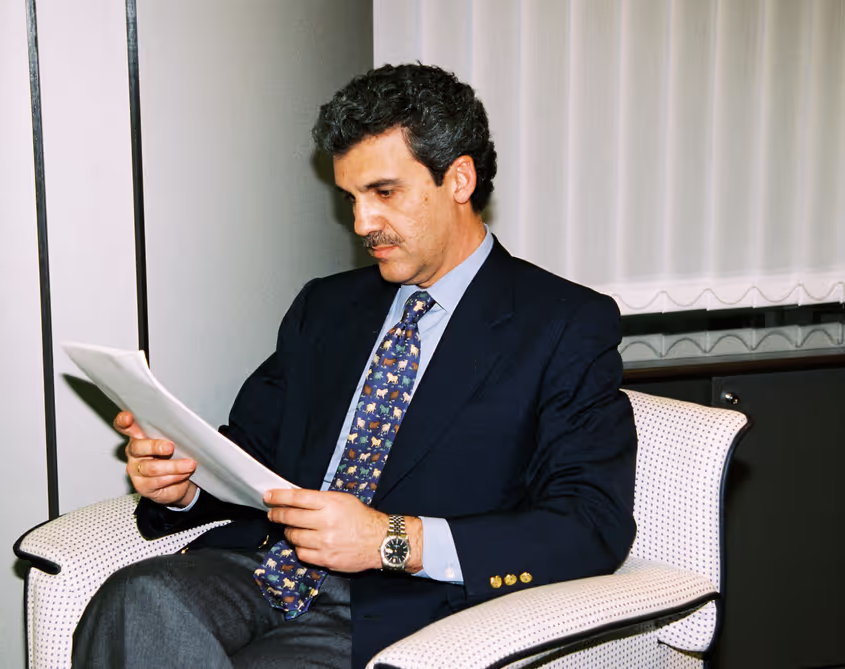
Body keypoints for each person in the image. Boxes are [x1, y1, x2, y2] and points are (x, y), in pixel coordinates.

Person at [72, 63, 637, 669]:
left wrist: (389, 540)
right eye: (351, 198)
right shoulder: (328, 307)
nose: (362, 223)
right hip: (261, 566)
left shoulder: (562, 324)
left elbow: (589, 524)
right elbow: (251, 450)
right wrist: (183, 486)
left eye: (384, 193)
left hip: (397, 602)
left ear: (460, 179)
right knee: (133, 598)